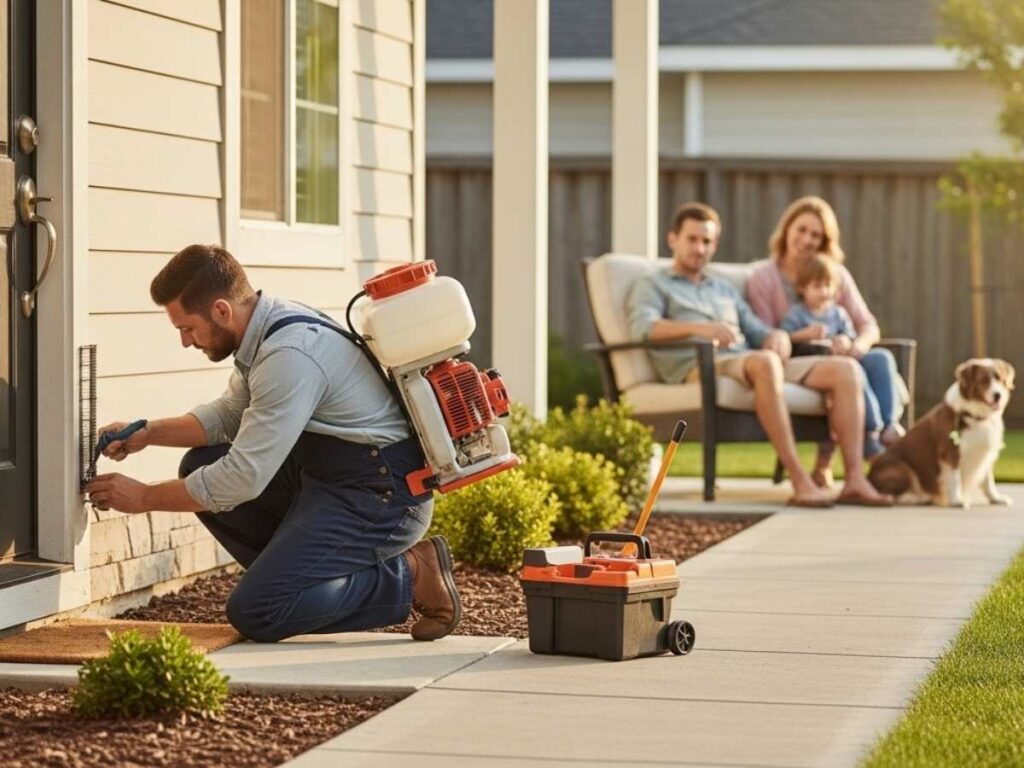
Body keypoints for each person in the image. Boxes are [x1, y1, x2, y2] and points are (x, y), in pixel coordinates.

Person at [84, 245, 461, 643]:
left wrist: (144, 498)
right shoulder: (267, 327)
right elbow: (230, 416)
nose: (185, 342)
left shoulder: (289, 353)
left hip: (382, 496)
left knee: (258, 611)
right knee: (199, 465)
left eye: (187, 328)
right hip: (332, 478)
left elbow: (241, 479)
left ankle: (414, 572)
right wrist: (148, 433)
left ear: (221, 310)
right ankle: (295, 578)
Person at [627, 202, 893, 508]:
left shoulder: (722, 288)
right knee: (765, 360)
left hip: (746, 360)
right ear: (673, 239)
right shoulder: (653, 284)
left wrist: (777, 335)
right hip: (699, 365)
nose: (700, 248)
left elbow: (755, 328)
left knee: (845, 369)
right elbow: (642, 329)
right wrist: (702, 329)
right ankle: (799, 480)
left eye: (707, 241)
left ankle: (855, 480)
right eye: (692, 239)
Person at [747, 196, 906, 487]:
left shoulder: (835, 275)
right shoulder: (763, 278)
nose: (807, 240)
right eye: (801, 230)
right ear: (786, 230)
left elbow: (867, 324)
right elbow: (767, 334)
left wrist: (856, 344)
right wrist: (798, 336)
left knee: (880, 359)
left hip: (841, 352)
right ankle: (867, 448)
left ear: (825, 241)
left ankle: (886, 429)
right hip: (797, 358)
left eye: (816, 235)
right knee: (847, 371)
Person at [781, 254, 901, 458]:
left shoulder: (838, 313)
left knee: (881, 357)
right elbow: (785, 339)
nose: (824, 292)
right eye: (817, 286)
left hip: (846, 356)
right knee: (851, 370)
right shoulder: (796, 314)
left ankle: (889, 426)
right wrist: (802, 335)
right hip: (824, 364)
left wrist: (847, 342)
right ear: (802, 288)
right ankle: (870, 430)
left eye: (828, 286)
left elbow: (850, 334)